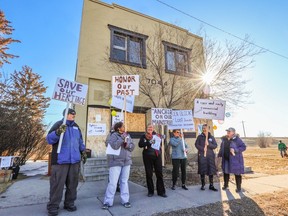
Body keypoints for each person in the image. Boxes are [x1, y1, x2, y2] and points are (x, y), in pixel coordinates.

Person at [46, 108, 86, 216]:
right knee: (57, 186)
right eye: (72, 113)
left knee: (72, 185)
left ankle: (69, 203)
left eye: (74, 113)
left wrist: (83, 151)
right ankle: (53, 207)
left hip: (74, 162)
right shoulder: (58, 124)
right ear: (66, 114)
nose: (74, 115)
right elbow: (49, 139)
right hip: (60, 161)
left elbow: (80, 141)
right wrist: (58, 132)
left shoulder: (76, 127)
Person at [102, 122, 135, 210]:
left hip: (126, 161)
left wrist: (127, 144)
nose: (124, 127)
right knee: (113, 182)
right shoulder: (113, 135)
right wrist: (121, 139)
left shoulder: (127, 135)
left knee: (124, 181)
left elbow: (132, 146)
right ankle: (108, 202)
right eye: (123, 126)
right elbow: (114, 146)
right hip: (115, 161)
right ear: (118, 128)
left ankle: (125, 200)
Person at [138, 124, 167, 198]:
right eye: (148, 127)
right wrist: (149, 142)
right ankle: (150, 191)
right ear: (146, 128)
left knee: (159, 174)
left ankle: (161, 191)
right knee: (149, 174)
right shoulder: (143, 136)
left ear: (153, 128)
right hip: (147, 156)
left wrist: (163, 137)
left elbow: (162, 141)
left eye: (151, 127)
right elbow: (140, 144)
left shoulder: (157, 135)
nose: (150, 128)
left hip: (157, 156)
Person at [218, 127, 246, 192]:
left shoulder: (237, 139)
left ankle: (238, 187)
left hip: (235, 160)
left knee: (237, 173)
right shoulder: (224, 140)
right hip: (226, 159)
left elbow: (243, 147)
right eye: (227, 131)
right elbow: (221, 148)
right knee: (226, 172)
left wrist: (235, 150)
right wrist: (219, 154)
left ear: (233, 132)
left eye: (229, 131)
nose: (227, 132)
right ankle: (226, 185)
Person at [195, 124, 218, 191]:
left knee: (211, 170)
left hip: (210, 156)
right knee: (202, 170)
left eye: (205, 128)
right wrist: (202, 149)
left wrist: (209, 144)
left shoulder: (211, 137)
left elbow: (215, 146)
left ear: (209, 129)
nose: (204, 129)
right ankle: (203, 185)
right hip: (202, 155)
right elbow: (196, 144)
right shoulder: (199, 137)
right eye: (203, 128)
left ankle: (211, 185)